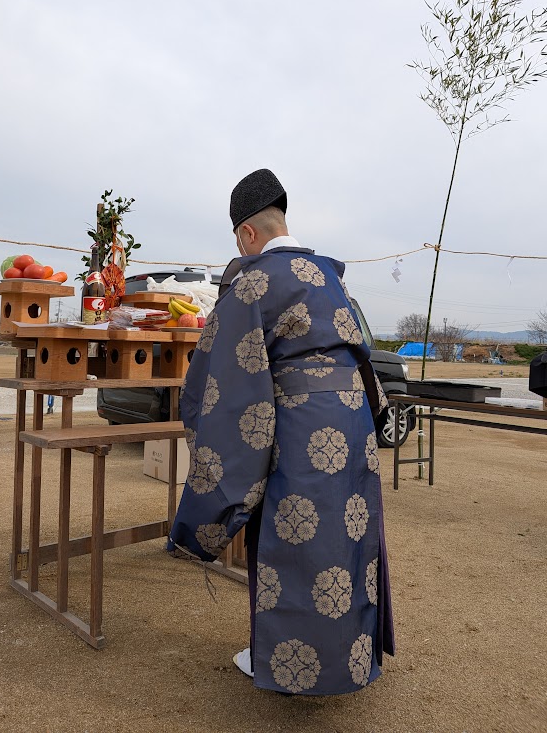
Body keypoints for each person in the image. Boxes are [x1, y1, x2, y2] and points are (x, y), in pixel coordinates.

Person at [167, 168, 395, 696]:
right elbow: (360, 353)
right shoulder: (330, 275)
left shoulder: (252, 281)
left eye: (238, 241)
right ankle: (352, 658)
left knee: (291, 542)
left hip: (297, 427)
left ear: (247, 232)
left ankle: (284, 662)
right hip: (351, 422)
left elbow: (223, 379)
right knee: (345, 540)